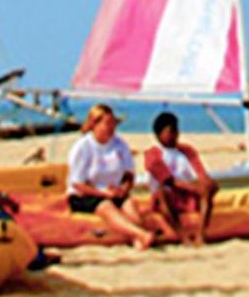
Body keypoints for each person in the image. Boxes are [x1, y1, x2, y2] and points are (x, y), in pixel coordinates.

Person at [66, 103, 157, 250]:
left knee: (130, 206)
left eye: (113, 124)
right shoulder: (83, 147)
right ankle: (141, 234)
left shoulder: (120, 145)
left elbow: (128, 174)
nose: (111, 128)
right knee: (105, 206)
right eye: (107, 124)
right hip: (86, 195)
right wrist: (102, 193)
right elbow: (77, 183)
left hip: (113, 191)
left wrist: (123, 189)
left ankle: (137, 239)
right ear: (95, 124)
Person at [143, 111, 219, 245]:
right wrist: (194, 188)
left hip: (187, 196)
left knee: (209, 186)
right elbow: (169, 181)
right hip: (168, 196)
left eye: (175, 131)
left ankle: (200, 234)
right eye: (170, 132)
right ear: (159, 134)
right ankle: (181, 234)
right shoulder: (152, 155)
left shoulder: (187, 151)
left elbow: (200, 172)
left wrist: (206, 184)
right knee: (162, 192)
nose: (174, 135)